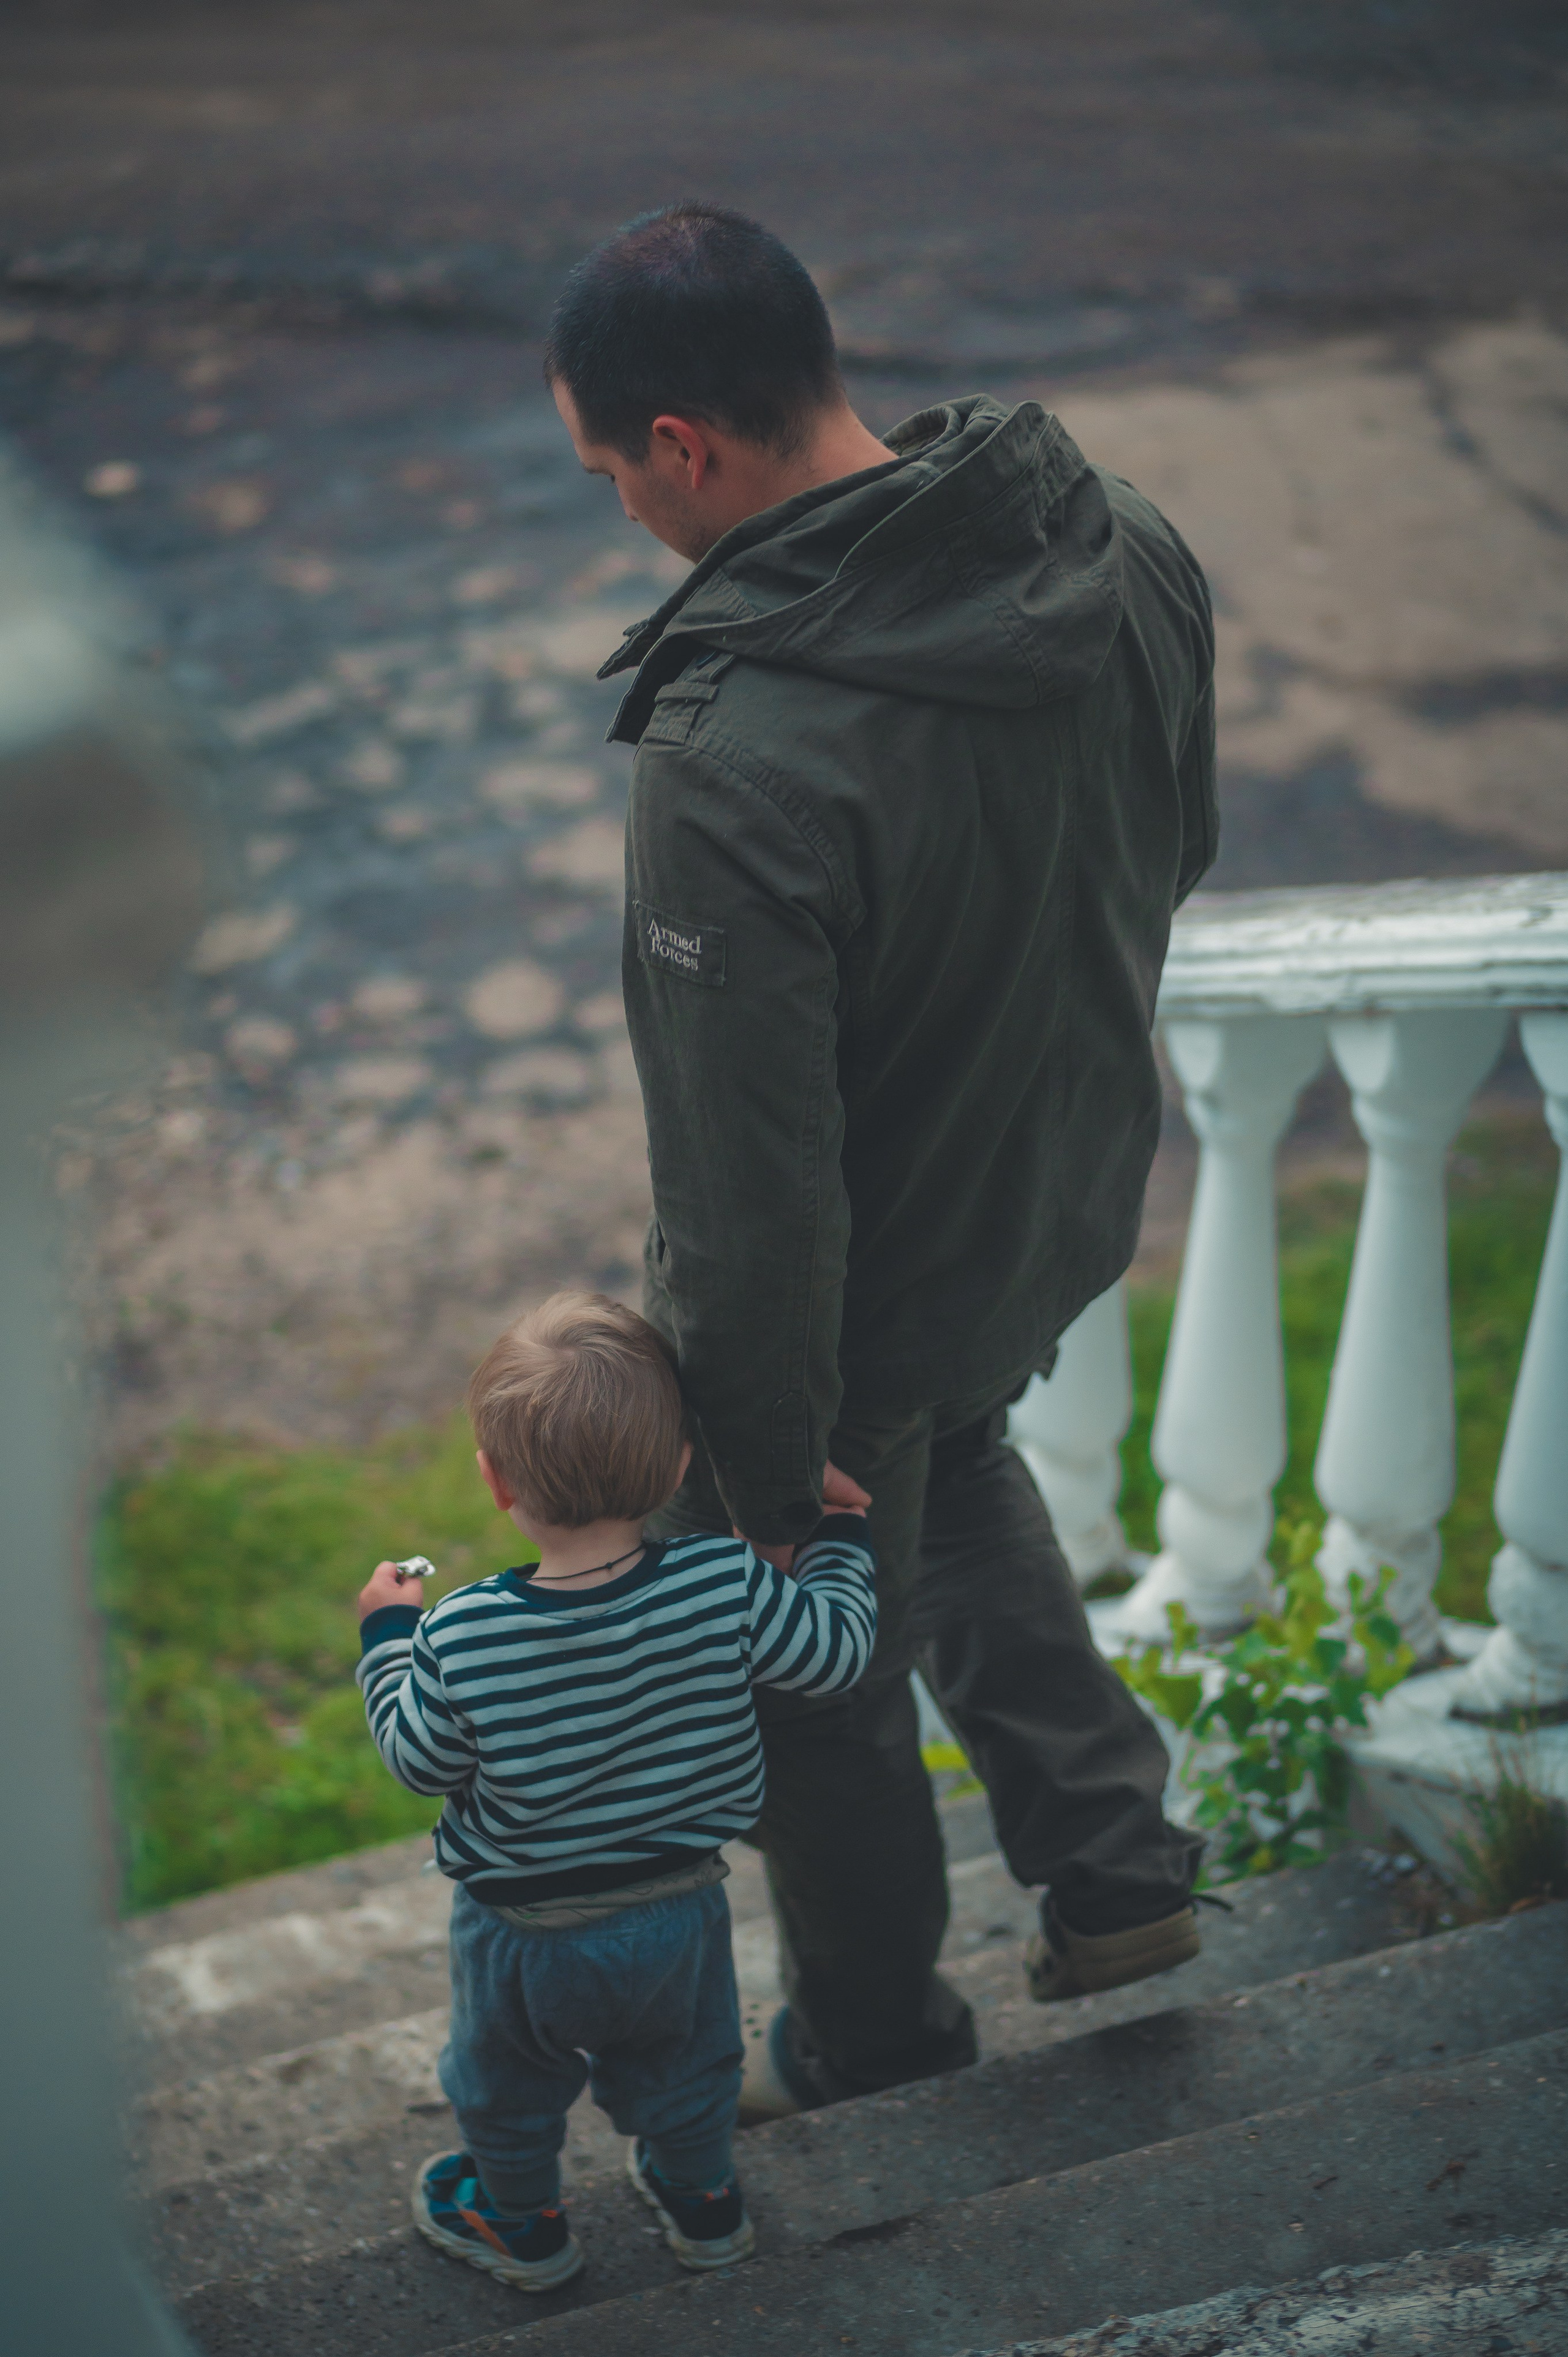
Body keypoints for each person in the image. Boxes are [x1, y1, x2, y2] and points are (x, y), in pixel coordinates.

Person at [544, 201, 1214, 2119]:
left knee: (804, 1637)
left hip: (862, 1270)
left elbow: (743, 1177)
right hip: (1056, 1188)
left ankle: (876, 2034)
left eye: (612, 474)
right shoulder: (1123, 544)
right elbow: (1177, 849)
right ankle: (1119, 1869)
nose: (626, 513)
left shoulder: (734, 749)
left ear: (686, 446)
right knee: (954, 1441)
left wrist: (760, 1462)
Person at [355, 1290, 876, 2289]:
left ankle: (527, 2229)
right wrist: (842, 1538)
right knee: (688, 2070)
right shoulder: (725, 1583)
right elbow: (835, 1653)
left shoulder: (461, 1632)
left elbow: (419, 1761)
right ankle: (706, 2206)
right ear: (680, 1464)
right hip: (679, 1911)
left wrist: (388, 1637)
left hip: (524, 1936)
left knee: (505, 2090)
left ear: (495, 1481)